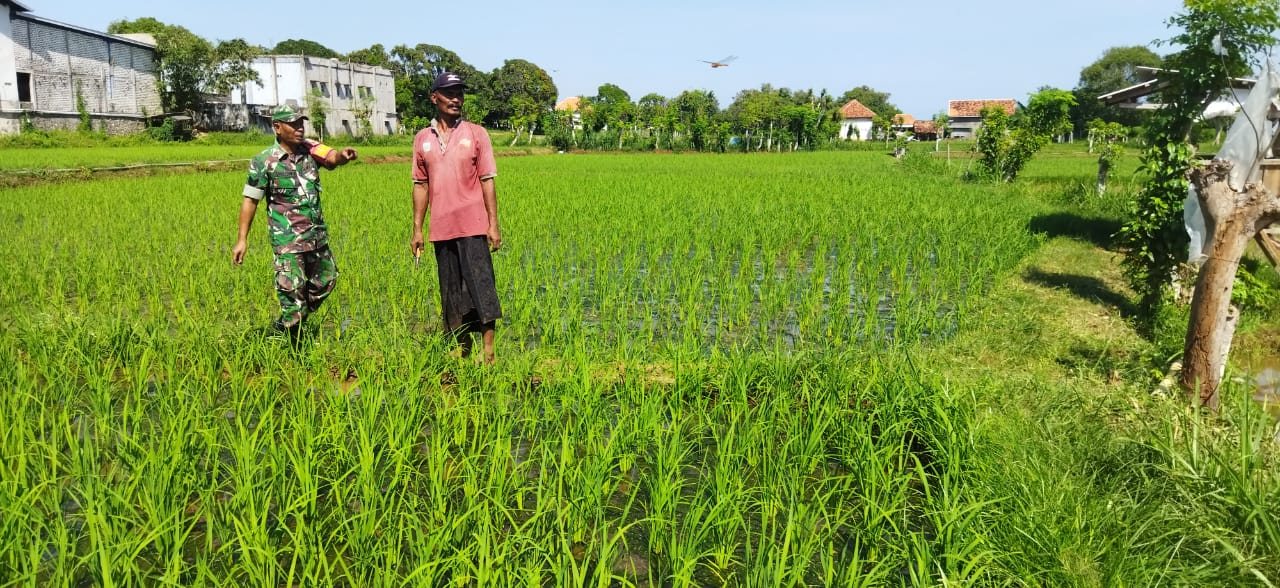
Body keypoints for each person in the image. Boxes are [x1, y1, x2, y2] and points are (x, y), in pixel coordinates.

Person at [232, 104, 358, 342]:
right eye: (294, 124)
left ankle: (286, 324)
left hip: (316, 236)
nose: (300, 128)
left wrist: (343, 156)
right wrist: (242, 240)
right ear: (277, 127)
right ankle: (294, 348)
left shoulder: (310, 149)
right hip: (287, 240)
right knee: (291, 292)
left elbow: (331, 157)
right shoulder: (264, 161)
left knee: (328, 280)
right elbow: (250, 200)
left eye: (302, 123)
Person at [410, 72, 503, 364]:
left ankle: (488, 352)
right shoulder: (422, 139)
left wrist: (493, 224)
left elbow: (487, 179)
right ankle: (462, 347)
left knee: (481, 286)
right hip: (441, 227)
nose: (456, 99)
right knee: (450, 291)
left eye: (459, 93)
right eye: (449, 93)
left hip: (473, 224)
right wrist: (417, 229)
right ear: (434, 97)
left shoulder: (476, 133)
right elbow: (420, 184)